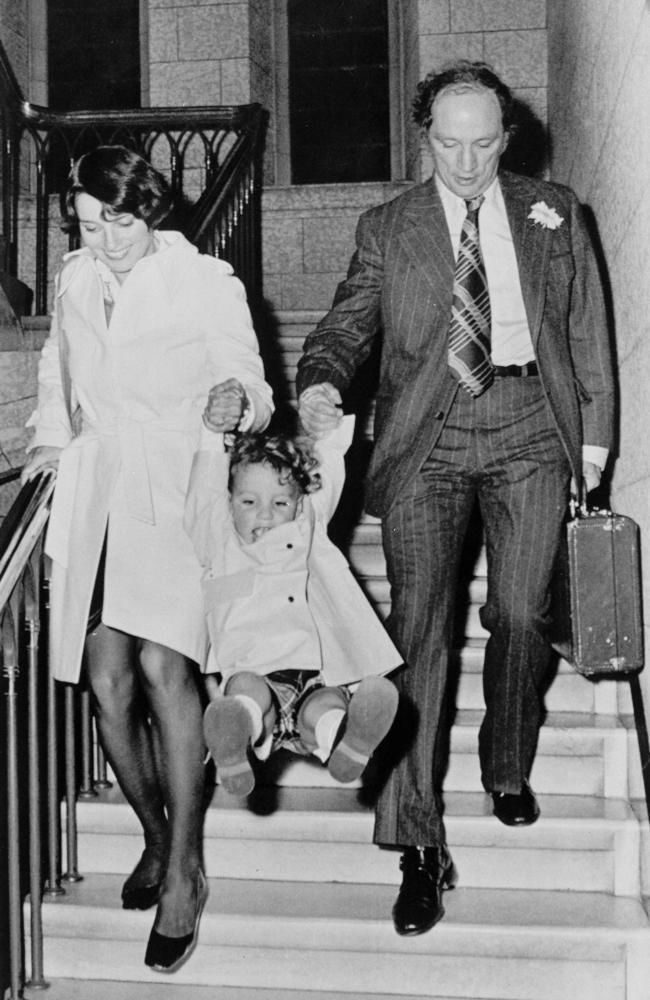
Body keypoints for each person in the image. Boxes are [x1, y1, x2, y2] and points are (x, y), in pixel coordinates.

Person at [296, 60, 615, 937]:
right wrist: (322, 378)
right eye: (447, 143)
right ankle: (416, 842)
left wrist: (593, 445)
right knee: (418, 633)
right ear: (423, 136)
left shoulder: (554, 212)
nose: (466, 162)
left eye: (483, 143)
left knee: (521, 611)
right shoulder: (389, 226)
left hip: (529, 426)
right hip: (427, 437)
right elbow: (348, 321)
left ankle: (506, 761)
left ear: (506, 138)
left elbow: (586, 329)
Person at [22, 145, 273, 973]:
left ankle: (187, 872)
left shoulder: (203, 279)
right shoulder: (71, 278)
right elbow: (57, 378)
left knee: (169, 670)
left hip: (177, 484)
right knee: (105, 679)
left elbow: (249, 378)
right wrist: (49, 448)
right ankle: (156, 833)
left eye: (118, 221)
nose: (104, 239)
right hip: (99, 493)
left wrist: (237, 402)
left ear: (149, 208)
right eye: (89, 224)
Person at [183, 419, 402, 795]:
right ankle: (234, 741)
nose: (265, 515)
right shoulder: (218, 538)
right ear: (229, 502)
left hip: (316, 673)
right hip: (255, 670)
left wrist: (329, 425)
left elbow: (328, 470)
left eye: (280, 503)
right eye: (249, 502)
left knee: (326, 706)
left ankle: (346, 739)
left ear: (298, 504)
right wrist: (210, 433)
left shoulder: (307, 529)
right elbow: (202, 493)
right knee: (248, 693)